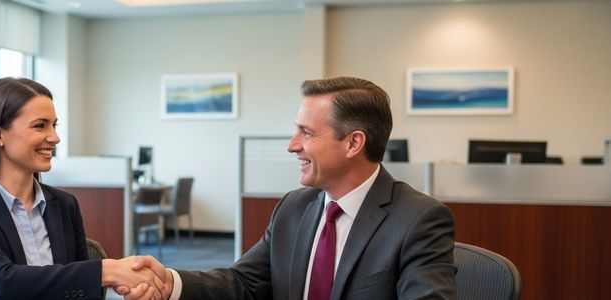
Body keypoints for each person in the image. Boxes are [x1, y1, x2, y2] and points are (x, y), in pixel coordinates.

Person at [120, 76, 457, 299]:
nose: (292, 145)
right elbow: (244, 282)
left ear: (353, 143)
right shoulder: (294, 207)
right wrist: (170, 283)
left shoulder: (418, 219)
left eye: (306, 133)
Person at [0, 77, 164, 299]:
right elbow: (1, 283)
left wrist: (132, 288)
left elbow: (82, 291)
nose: (55, 137)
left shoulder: (65, 204)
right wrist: (107, 271)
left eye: (54, 125)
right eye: (40, 126)